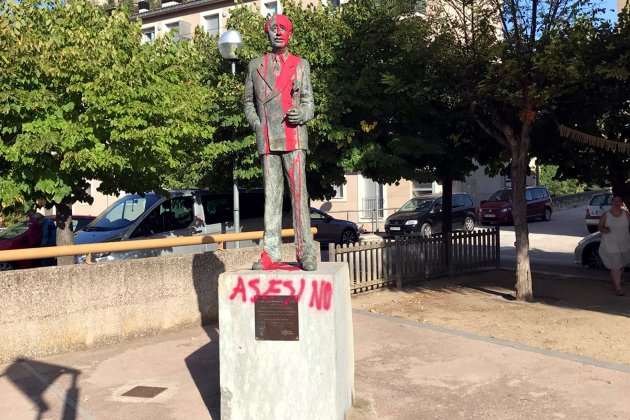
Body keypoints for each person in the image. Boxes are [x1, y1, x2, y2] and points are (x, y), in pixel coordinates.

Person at [243, 14, 317, 271]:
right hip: (267, 138)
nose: (278, 33)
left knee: (299, 196)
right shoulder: (255, 66)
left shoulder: (300, 64)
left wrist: (303, 114)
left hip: (293, 136)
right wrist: (257, 124)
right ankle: (270, 252)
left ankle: (305, 251)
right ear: (267, 33)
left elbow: (309, 103)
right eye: (274, 28)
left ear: (290, 34)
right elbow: (248, 103)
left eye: (283, 29)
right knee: (271, 197)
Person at [597, 195, 630, 296]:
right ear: (612, 202)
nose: (616, 203)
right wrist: (604, 230)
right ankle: (618, 288)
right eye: (614, 201)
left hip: (624, 243)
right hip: (610, 244)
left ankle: (615, 283)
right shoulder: (606, 215)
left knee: (621, 266)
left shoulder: (626, 214)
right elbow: (599, 228)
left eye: (618, 201)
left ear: (621, 202)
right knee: (616, 266)